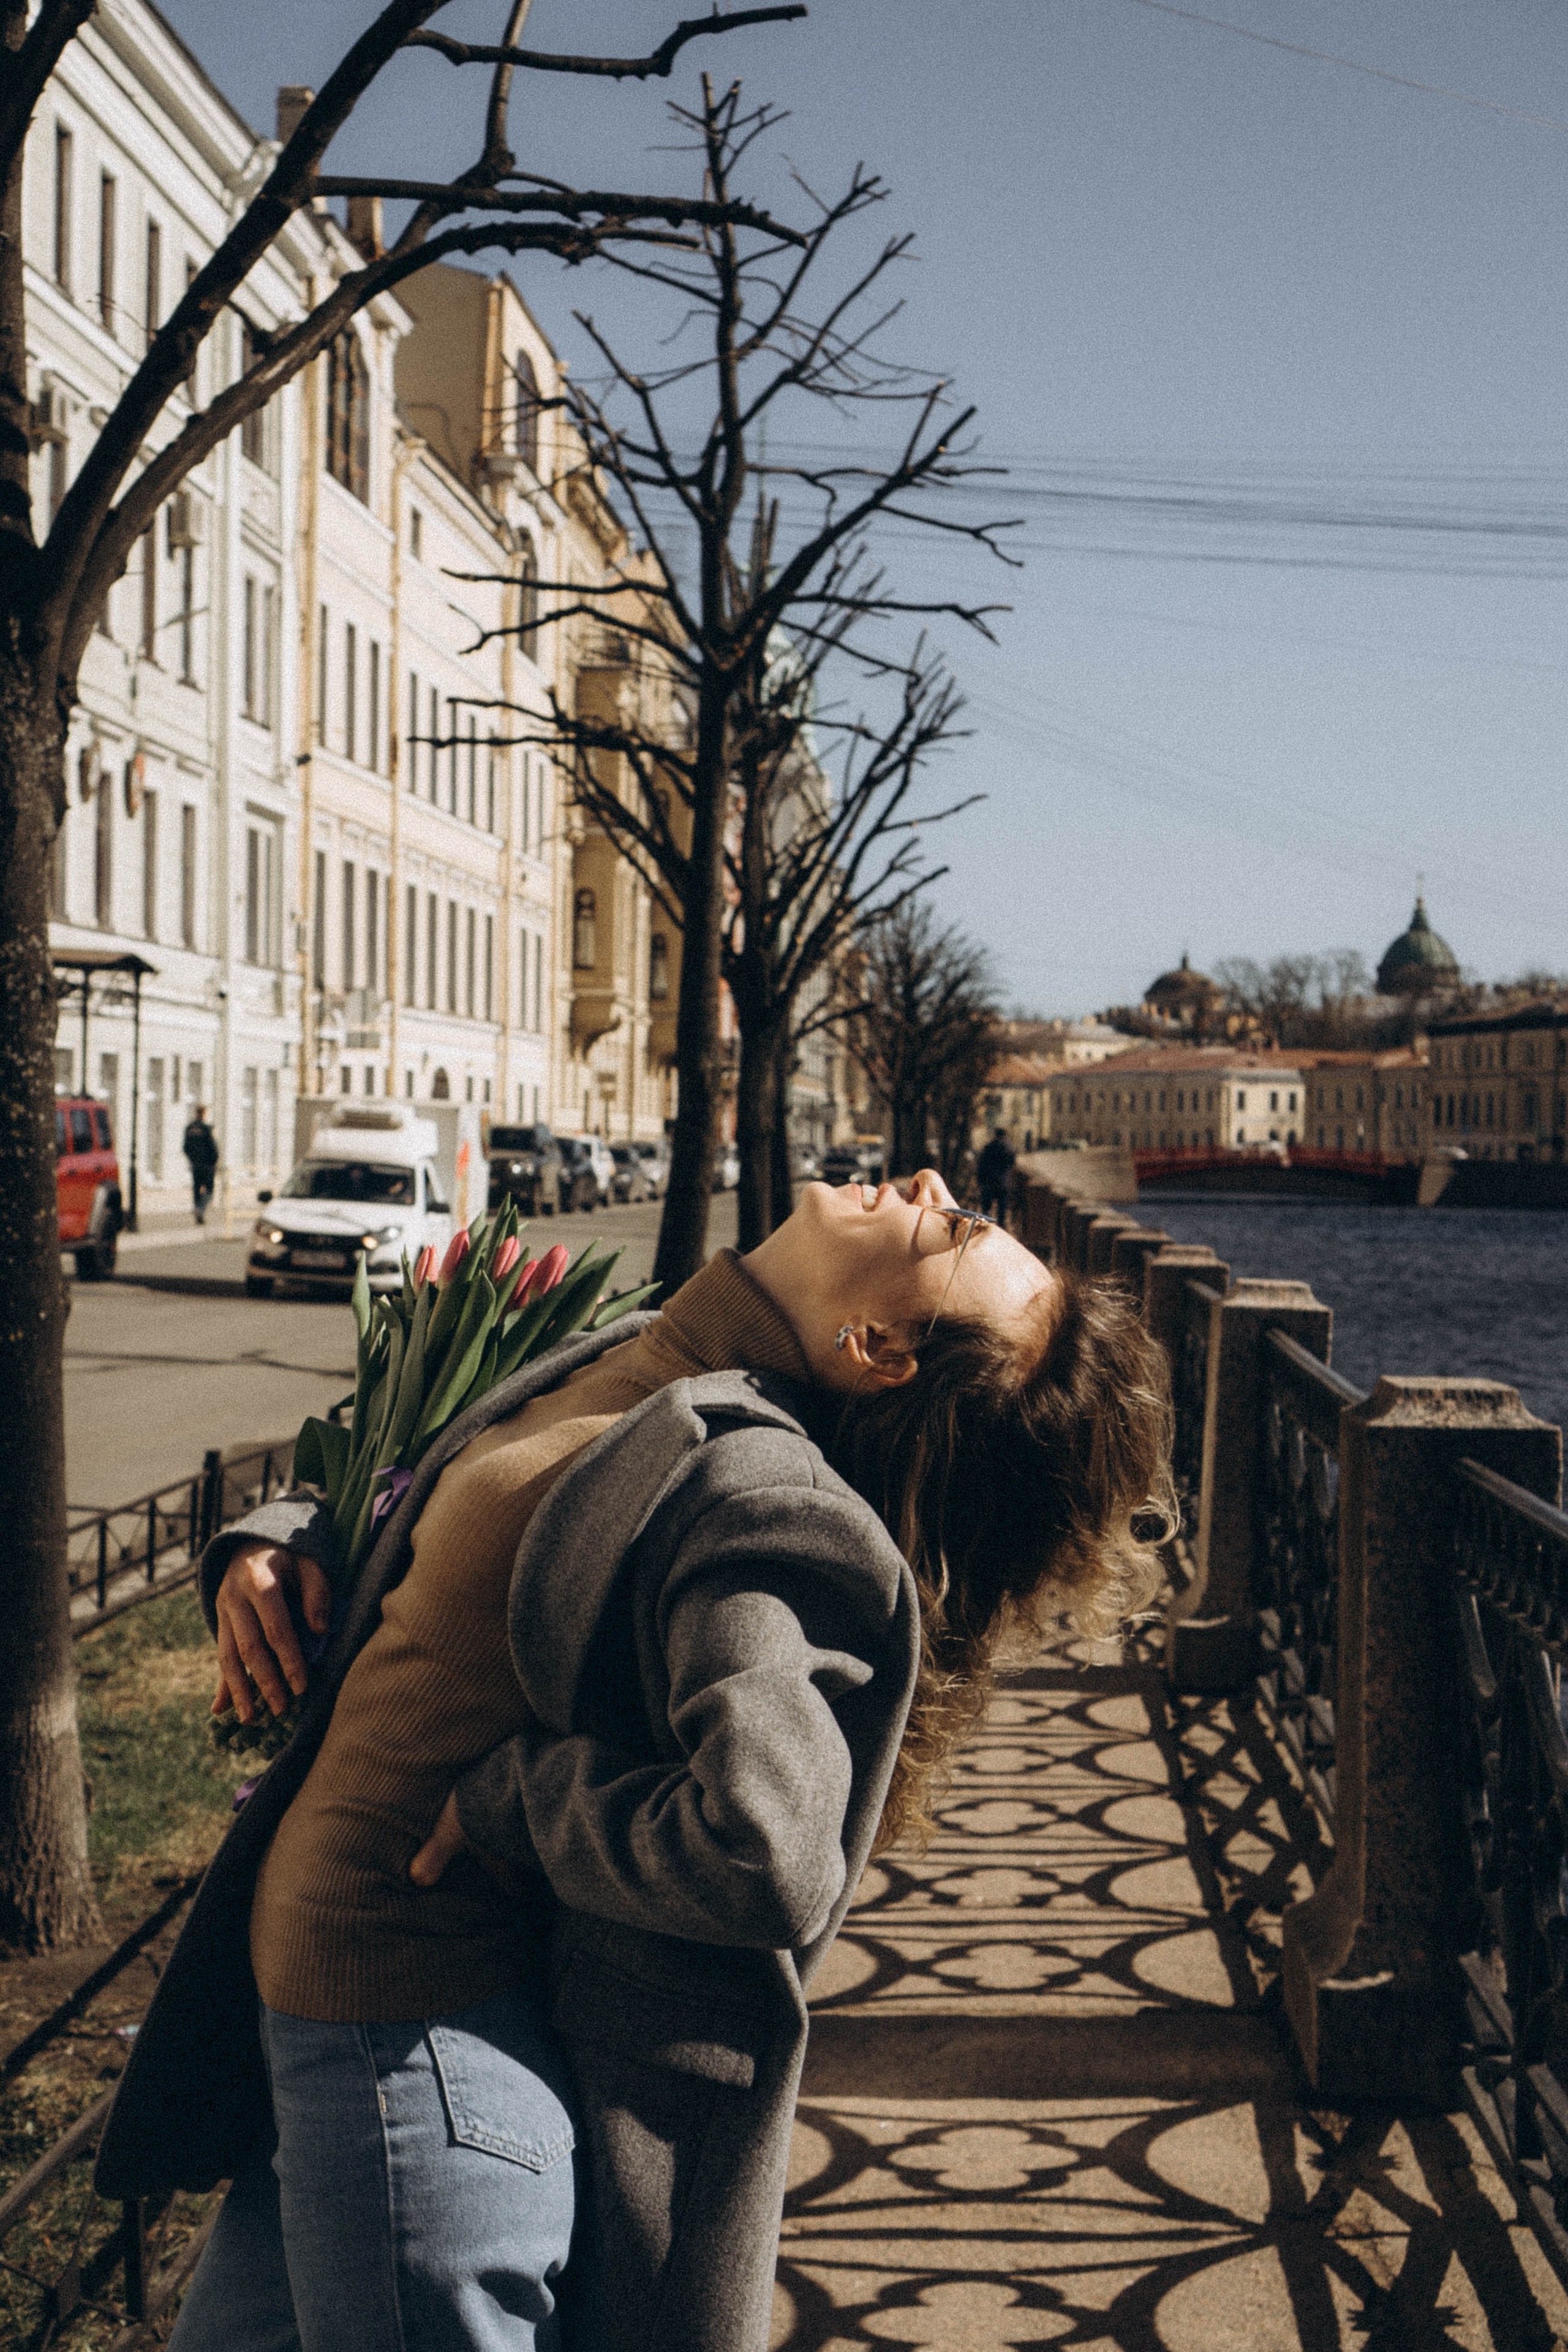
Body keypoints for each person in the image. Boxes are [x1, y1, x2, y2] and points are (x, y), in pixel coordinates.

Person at [97, 1170, 1175, 2352]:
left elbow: (768, 1848)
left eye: (955, 1228)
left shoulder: (759, 1490)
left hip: (413, 2071)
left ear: (878, 1348)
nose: (931, 1185)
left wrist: (520, 1800)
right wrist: (283, 1537)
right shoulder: (646, 1353)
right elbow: (433, 1485)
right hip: (328, 2045)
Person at [182, 1106, 220, 1226]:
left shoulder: (189, 1129)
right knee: (209, 1190)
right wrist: (214, 1161)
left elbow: (185, 1148)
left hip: (195, 1165)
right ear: (203, 1114)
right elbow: (213, 1147)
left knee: (197, 1188)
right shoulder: (206, 1129)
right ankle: (201, 1209)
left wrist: (192, 1159)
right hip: (208, 1165)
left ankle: (197, 1208)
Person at [976, 1126, 1016, 1226]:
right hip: (1003, 1183)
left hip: (989, 1183)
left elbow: (981, 1165)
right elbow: (1012, 1165)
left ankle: (986, 1229)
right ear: (1005, 1135)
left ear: (995, 1135)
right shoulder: (1009, 1149)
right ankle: (1000, 1230)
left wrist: (980, 1181)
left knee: (986, 1211)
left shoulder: (988, 1147)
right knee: (1002, 1211)